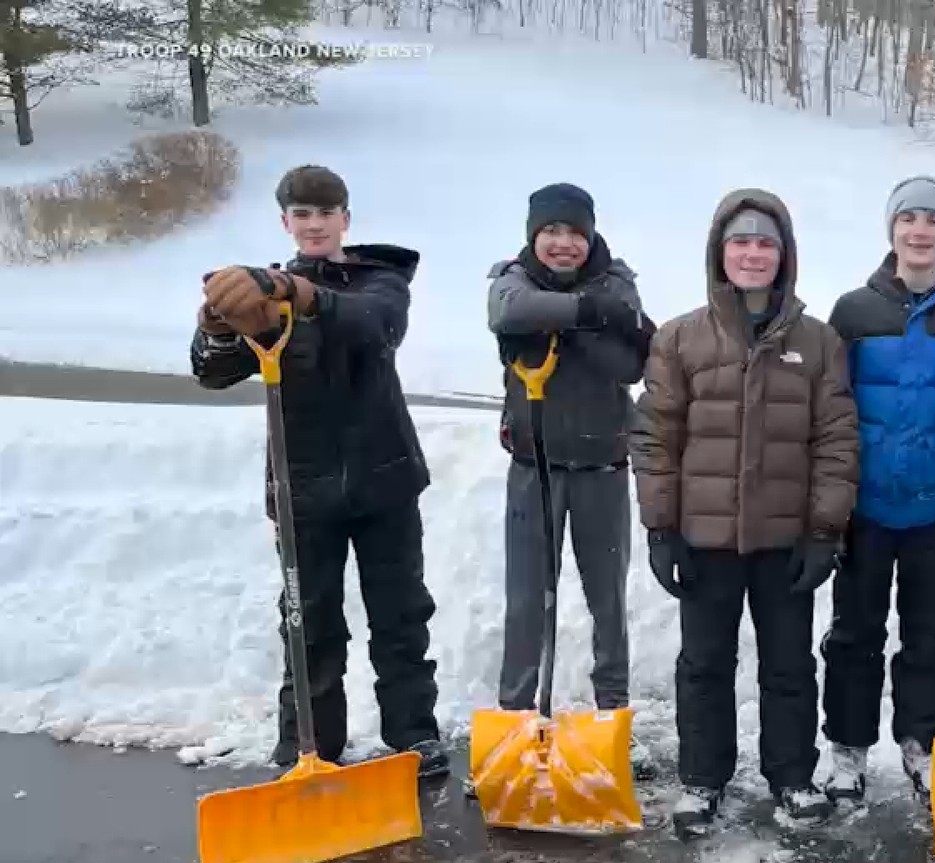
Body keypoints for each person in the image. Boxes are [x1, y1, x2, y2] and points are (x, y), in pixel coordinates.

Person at [191, 164, 446, 778]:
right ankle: (308, 746)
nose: (314, 225)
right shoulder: (264, 291)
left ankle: (414, 735)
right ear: (285, 222)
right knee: (308, 625)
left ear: (345, 220)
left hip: (384, 480)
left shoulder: (378, 279)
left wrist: (299, 295)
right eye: (301, 215)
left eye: (325, 214)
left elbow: (375, 326)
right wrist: (218, 329)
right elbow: (212, 371)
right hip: (302, 486)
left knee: (401, 616)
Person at [630, 188, 859, 837]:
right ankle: (703, 779)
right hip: (704, 540)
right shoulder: (680, 339)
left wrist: (824, 530)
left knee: (789, 665)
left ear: (784, 255)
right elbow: (656, 437)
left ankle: (791, 775)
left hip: (786, 539)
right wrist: (661, 527)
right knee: (703, 664)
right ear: (719, 252)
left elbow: (836, 438)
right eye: (741, 241)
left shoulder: (818, 343)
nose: (753, 253)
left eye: (766, 242)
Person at [820, 175, 935, 806]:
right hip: (865, 508)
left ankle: (922, 746)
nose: (920, 231)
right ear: (891, 229)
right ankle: (847, 752)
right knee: (854, 633)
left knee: (931, 635)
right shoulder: (853, 311)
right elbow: (831, 412)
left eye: (933, 220)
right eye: (909, 219)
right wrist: (831, 500)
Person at [485, 183, 657, 779]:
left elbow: (632, 360)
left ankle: (613, 718)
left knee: (606, 601)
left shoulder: (618, 281)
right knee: (526, 602)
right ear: (534, 234)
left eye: (574, 233)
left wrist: (561, 327)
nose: (563, 244)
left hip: (603, 469)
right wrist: (588, 318)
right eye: (551, 232)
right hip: (533, 468)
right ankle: (515, 723)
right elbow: (506, 312)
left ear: (590, 236)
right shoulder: (512, 278)